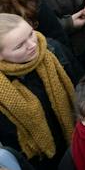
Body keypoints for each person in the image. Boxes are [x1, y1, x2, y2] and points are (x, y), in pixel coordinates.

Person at [0, 11, 76, 170]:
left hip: (75, 142)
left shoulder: (52, 50)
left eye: (30, 34)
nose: (33, 44)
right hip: (36, 161)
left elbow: (82, 84)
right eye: (20, 46)